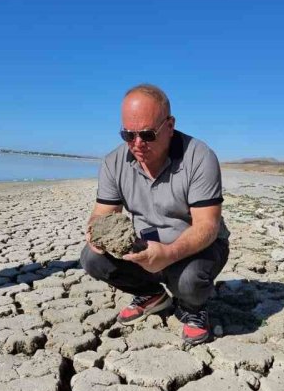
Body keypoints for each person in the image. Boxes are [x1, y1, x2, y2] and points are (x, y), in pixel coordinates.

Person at [81, 84, 229, 346]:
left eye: (147, 135)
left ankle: (194, 309)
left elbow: (208, 226)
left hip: (196, 245)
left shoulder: (199, 157)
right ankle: (151, 295)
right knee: (92, 258)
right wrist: (96, 233)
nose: (137, 144)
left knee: (189, 281)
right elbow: (103, 213)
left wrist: (168, 254)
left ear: (169, 126)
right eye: (128, 134)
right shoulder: (113, 162)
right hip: (144, 244)